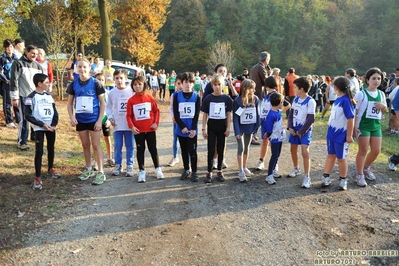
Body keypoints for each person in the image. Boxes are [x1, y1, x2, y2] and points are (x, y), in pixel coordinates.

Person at [66, 58, 106, 185]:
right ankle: (89, 168)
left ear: (89, 68)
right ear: (76, 69)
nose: (82, 69)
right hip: (81, 119)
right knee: (85, 144)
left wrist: (100, 120)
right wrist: (72, 117)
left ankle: (100, 171)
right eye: (79, 67)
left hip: (93, 119)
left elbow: (102, 103)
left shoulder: (96, 83)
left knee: (96, 145)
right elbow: (69, 103)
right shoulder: (73, 84)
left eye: (84, 67)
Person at [25, 73, 60, 190]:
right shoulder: (30, 97)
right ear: (39, 84)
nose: (49, 84)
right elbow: (28, 115)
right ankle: (38, 176)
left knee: (51, 147)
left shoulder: (49, 96)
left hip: (50, 127)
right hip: (39, 128)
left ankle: (51, 168)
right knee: (39, 151)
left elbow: (55, 112)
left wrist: (53, 125)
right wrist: (42, 124)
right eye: (46, 82)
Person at [126, 76, 164, 183]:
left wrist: (156, 123)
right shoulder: (131, 101)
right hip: (138, 130)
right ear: (132, 86)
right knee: (140, 150)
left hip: (150, 129)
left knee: (153, 149)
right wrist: (132, 126)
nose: (137, 87)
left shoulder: (150, 98)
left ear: (144, 85)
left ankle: (157, 168)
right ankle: (141, 171)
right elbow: (128, 115)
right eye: (135, 85)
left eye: (139, 84)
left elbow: (156, 111)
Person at [353, 68, 387, 187]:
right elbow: (354, 112)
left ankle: (366, 168)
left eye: (379, 78)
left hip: (376, 126)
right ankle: (359, 174)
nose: (376, 81)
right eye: (374, 78)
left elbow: (384, 112)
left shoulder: (381, 94)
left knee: (376, 151)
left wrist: (383, 106)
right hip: (363, 126)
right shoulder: (361, 94)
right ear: (367, 80)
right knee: (363, 151)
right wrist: (353, 127)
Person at [320, 76, 355, 191]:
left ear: (336, 88)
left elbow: (350, 118)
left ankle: (343, 179)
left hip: (341, 135)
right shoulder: (338, 100)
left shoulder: (346, 100)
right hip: (332, 134)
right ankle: (326, 177)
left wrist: (349, 135)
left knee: (341, 158)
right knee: (331, 155)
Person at [203, 63, 238, 168]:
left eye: (224, 71)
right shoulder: (211, 85)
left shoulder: (228, 84)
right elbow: (206, 100)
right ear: (215, 73)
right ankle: (214, 159)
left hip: (224, 117)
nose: (223, 73)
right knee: (214, 141)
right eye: (220, 71)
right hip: (214, 118)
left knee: (223, 141)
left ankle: (221, 159)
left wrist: (231, 84)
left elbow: (235, 97)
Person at [10, 45, 44, 150]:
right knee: (25, 119)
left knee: (36, 116)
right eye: (32, 53)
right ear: (26, 52)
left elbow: (41, 83)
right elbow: (14, 80)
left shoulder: (38, 67)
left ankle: (34, 137)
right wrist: (15, 97)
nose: (35, 55)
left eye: (36, 54)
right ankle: (22, 141)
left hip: (35, 96)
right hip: (23, 95)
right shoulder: (18, 64)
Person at [201, 74, 232, 183]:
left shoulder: (226, 98)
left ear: (222, 85)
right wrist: (203, 128)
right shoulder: (208, 98)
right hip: (212, 126)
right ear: (212, 85)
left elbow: (229, 114)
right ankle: (209, 171)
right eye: (215, 85)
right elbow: (205, 114)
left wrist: (228, 128)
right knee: (211, 149)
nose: (217, 87)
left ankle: (219, 170)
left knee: (220, 148)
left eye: (219, 84)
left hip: (222, 126)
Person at [255, 76, 291, 171]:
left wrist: (279, 112)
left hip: (273, 123)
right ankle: (261, 160)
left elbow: (288, 105)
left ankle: (275, 163)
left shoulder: (276, 95)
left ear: (267, 86)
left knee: (273, 142)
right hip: (265, 122)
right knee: (265, 141)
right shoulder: (266, 96)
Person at [287, 76, 316, 189]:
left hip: (304, 130)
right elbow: (291, 114)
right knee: (293, 149)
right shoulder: (296, 99)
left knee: (305, 151)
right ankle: (296, 168)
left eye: (295, 87)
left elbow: (310, 119)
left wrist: (301, 131)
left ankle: (307, 176)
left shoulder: (311, 101)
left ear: (302, 89)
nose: (293, 89)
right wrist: (290, 127)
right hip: (295, 128)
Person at [106, 69, 135, 177]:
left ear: (126, 79)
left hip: (129, 124)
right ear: (114, 79)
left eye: (121, 78)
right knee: (118, 145)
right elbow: (108, 107)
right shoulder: (112, 92)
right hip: (117, 124)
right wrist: (110, 117)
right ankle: (118, 165)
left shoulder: (131, 91)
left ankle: (130, 165)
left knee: (130, 145)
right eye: (117, 78)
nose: (119, 80)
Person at [173, 72, 200, 182]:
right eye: (185, 82)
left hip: (192, 130)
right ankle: (186, 169)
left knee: (192, 151)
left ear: (193, 84)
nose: (188, 84)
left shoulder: (196, 97)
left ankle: (194, 171)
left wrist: (193, 128)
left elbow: (197, 114)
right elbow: (176, 113)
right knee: (184, 151)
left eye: (190, 82)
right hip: (181, 129)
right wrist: (182, 127)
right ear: (181, 83)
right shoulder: (177, 96)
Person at [233, 79, 260, 182]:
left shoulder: (255, 99)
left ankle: (244, 166)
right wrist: (237, 131)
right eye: (251, 88)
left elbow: (257, 114)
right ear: (245, 89)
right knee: (241, 147)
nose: (253, 90)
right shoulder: (237, 101)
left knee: (247, 148)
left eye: (254, 88)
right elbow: (235, 117)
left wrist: (256, 128)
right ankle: (240, 171)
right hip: (240, 128)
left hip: (250, 128)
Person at [262, 92, 286, 185]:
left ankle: (273, 170)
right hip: (275, 138)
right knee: (274, 155)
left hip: (279, 137)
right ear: (279, 102)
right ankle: (269, 175)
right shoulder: (271, 114)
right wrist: (267, 135)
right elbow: (269, 127)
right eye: (282, 102)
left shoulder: (278, 112)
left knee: (277, 154)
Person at [94, 73, 113, 167]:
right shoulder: (92, 92)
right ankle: (96, 161)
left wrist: (109, 119)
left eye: (102, 80)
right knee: (95, 141)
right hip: (94, 119)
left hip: (105, 119)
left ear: (105, 82)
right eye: (98, 79)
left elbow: (111, 107)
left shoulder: (107, 93)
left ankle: (110, 158)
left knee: (107, 138)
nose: (100, 82)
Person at [0, 39, 20, 128]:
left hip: (16, 83)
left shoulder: (16, 58)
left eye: (11, 47)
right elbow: (0, 72)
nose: (9, 49)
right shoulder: (2, 58)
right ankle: (9, 121)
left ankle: (19, 120)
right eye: (7, 47)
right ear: (5, 48)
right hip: (6, 83)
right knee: (7, 103)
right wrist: (6, 80)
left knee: (16, 101)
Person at [168, 73, 183, 167]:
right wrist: (173, 117)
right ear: (176, 84)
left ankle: (188, 159)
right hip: (176, 121)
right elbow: (171, 108)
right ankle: (175, 157)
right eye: (178, 83)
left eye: (182, 83)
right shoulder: (174, 95)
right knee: (175, 139)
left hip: (186, 121)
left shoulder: (189, 94)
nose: (181, 86)